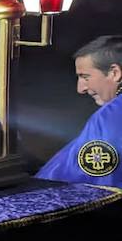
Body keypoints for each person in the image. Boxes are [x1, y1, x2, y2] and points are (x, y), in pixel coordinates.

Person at [36, 35, 122, 186]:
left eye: (85, 77)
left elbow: (104, 188)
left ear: (114, 73)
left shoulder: (108, 118)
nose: (80, 89)